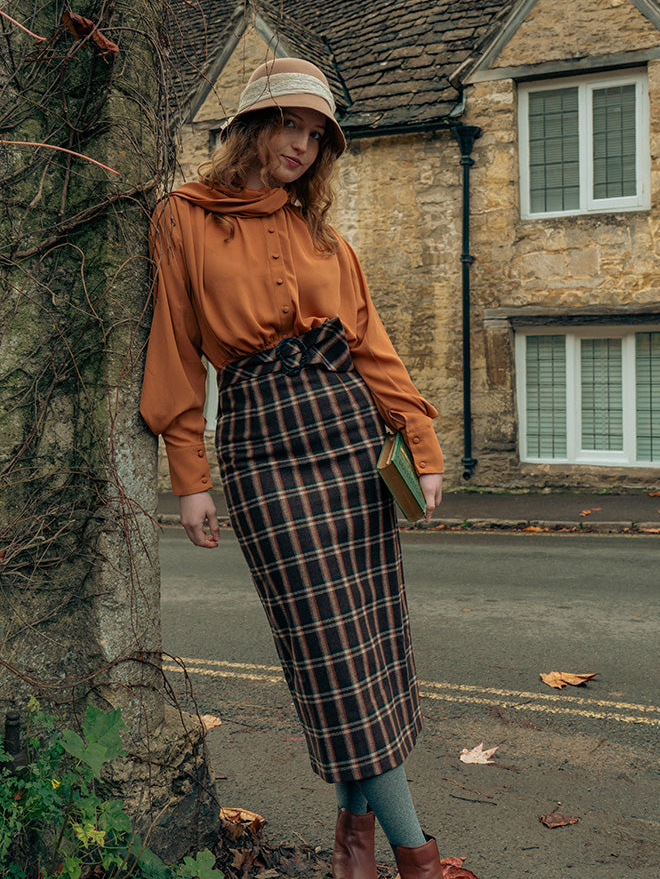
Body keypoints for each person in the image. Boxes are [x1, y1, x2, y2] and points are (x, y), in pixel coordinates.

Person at [140, 58, 445, 879]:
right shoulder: (183, 218)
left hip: (347, 436)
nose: (303, 146)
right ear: (250, 126)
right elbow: (172, 345)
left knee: (370, 644)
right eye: (290, 125)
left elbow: (370, 348)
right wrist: (191, 477)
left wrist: (419, 441)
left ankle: (355, 845)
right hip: (262, 445)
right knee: (328, 650)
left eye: (317, 135)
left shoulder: (325, 238)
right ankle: (417, 855)